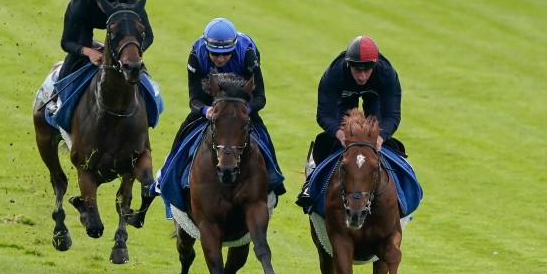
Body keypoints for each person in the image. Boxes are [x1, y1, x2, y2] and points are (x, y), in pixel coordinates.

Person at [170, 17, 285, 195]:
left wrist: (244, 111)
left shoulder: (247, 54)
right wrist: (205, 110)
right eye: (215, 54)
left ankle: (274, 176)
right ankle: (167, 176)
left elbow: (260, 97)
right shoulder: (196, 54)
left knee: (263, 134)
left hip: (240, 105)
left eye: (227, 54)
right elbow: (194, 99)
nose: (221, 59)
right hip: (211, 103)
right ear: (206, 48)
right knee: (182, 133)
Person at [296, 35, 404, 206]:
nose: (362, 77)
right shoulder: (334, 74)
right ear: (348, 65)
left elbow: (392, 116)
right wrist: (340, 135)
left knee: (382, 136)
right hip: (343, 96)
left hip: (376, 97)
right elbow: (324, 114)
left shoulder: (387, 74)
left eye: (367, 71)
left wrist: (379, 138)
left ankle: (402, 187)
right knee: (331, 140)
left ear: (374, 67)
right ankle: (311, 184)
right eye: (357, 71)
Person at [57, 0, 154, 80]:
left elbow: (149, 36)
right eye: (102, 0)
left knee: (134, 62)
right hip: (87, 20)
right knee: (80, 50)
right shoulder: (80, 3)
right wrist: (89, 52)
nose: (107, 5)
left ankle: (154, 96)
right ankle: (56, 92)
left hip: (119, 22)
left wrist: (130, 51)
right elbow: (66, 42)